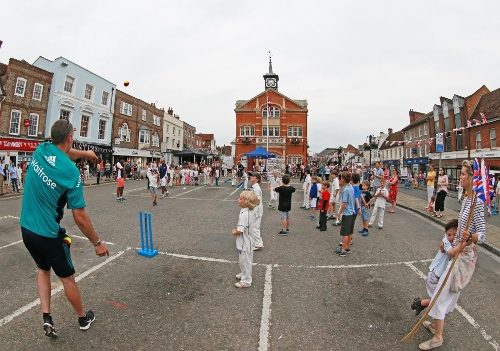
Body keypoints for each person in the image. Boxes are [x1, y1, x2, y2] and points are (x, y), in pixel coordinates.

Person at [20, 119, 109, 338]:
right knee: (67, 278)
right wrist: (97, 243)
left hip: (26, 229)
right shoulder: (71, 174)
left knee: (42, 269)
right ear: (70, 137)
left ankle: (47, 317)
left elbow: (65, 152)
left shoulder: (43, 149)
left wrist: (86, 154)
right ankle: (82, 318)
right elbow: (79, 216)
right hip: (48, 235)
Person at [416, 160, 486, 350]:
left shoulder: (477, 203)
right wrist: (450, 238)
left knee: (441, 293)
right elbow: (461, 225)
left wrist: (471, 237)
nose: (460, 177)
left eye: (463, 174)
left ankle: (438, 336)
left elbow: (483, 234)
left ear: (472, 178)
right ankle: (435, 325)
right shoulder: (465, 199)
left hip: (462, 257)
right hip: (454, 253)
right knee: (443, 293)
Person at [410, 219, 458, 316]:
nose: (452, 237)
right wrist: (464, 244)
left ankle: (421, 304)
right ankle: (420, 303)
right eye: (449, 235)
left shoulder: (455, 243)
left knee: (440, 301)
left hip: (441, 277)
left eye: (455, 235)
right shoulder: (446, 242)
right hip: (435, 277)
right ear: (445, 234)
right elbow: (452, 253)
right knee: (438, 302)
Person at [232, 190, 259, 288]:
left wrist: (234, 231)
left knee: (246, 262)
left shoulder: (244, 214)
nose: (238, 200)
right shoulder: (248, 211)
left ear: (246, 202)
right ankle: (244, 274)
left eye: (240, 199)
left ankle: (246, 280)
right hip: (246, 241)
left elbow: (240, 230)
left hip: (245, 243)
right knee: (242, 261)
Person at [335, 172, 355, 257]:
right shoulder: (350, 187)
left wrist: (339, 214)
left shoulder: (345, 190)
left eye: (340, 178)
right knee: (350, 232)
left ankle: (343, 251)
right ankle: (347, 248)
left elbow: (344, 204)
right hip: (352, 212)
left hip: (347, 213)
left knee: (345, 233)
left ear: (343, 179)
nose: (339, 180)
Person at [249, 173, 264, 251]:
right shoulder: (254, 187)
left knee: (255, 227)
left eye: (253, 176)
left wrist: (251, 205)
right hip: (256, 209)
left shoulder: (256, 188)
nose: (251, 177)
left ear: (257, 179)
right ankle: (256, 242)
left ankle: (258, 244)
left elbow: (257, 200)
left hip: (256, 210)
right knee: (253, 227)